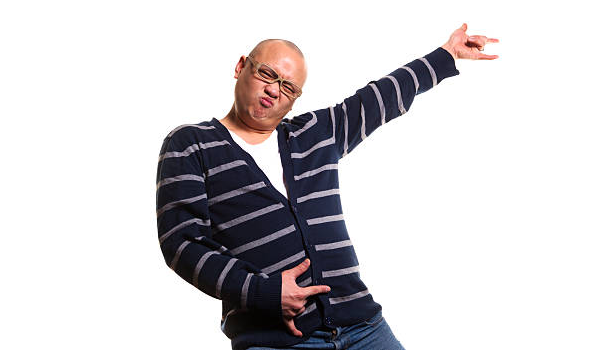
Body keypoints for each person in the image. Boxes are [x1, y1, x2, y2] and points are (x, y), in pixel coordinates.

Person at [156, 23, 499, 350]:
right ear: (241, 66)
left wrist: (447, 55)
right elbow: (182, 244)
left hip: (363, 326)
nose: (274, 90)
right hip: (275, 339)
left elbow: (377, 98)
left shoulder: (313, 135)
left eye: (288, 88)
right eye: (267, 74)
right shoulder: (191, 144)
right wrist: (262, 292)